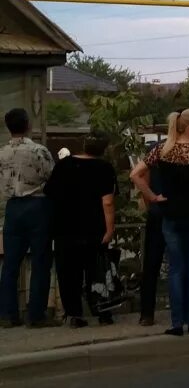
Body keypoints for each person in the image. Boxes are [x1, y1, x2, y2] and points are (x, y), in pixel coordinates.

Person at [130, 109, 189, 336]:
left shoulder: (162, 150)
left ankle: (176, 323)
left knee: (176, 269)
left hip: (170, 213)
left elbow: (136, 175)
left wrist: (152, 196)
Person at [44, 132, 117, 327]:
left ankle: (75, 314)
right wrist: (109, 229)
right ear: (103, 150)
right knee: (97, 271)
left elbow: (49, 193)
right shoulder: (104, 168)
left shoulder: (63, 166)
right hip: (94, 228)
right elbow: (108, 202)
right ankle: (103, 311)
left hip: (65, 228)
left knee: (68, 273)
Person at [0, 108, 55, 328]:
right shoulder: (39, 151)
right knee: (40, 261)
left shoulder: (2, 152)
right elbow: (52, 177)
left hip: (12, 207)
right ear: (27, 125)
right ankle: (36, 314)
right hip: (37, 205)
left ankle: (8, 314)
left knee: (11, 264)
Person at [137, 142, 166, 326]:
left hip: (157, 210)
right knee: (183, 265)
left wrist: (151, 200)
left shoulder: (156, 150)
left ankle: (147, 313)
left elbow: (142, 177)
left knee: (151, 265)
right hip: (180, 212)